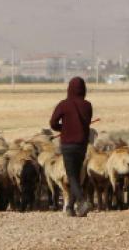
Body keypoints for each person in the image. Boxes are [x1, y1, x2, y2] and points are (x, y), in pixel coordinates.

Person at [50, 76, 93, 217]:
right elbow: (85, 122)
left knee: (72, 175)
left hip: (68, 144)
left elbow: (53, 123)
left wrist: (63, 127)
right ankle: (70, 208)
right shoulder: (87, 105)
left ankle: (82, 201)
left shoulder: (63, 104)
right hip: (81, 145)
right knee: (76, 175)